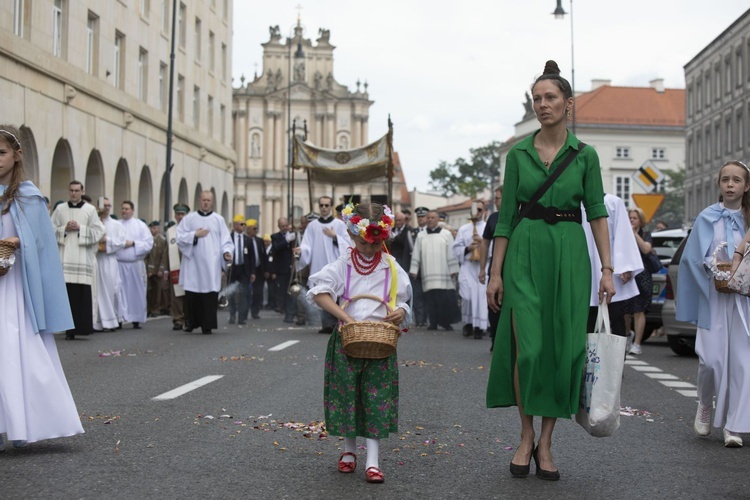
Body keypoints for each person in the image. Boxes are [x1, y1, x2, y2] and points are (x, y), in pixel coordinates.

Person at [485, 60, 614, 481]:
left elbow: (596, 213)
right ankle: (525, 435)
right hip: (524, 251)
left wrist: (607, 269)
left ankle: (546, 441)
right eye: (537, 99)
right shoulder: (518, 153)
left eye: (551, 97)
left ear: (568, 104)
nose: (543, 105)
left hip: (569, 254)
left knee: (564, 351)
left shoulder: (586, 156)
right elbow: (505, 218)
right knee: (531, 351)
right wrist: (495, 272)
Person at [307, 202, 411, 484]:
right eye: (364, 243)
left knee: (376, 397)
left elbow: (403, 299)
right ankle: (349, 450)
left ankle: (373, 460)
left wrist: (401, 311)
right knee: (348, 396)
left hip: (381, 342)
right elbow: (319, 292)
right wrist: (346, 318)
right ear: (353, 237)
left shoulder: (390, 265)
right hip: (347, 340)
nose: (369, 249)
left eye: (375, 244)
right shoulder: (343, 264)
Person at [0, 125, 84, 449]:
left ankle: (24, 421)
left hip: (16, 288)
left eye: (2, 152)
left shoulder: (29, 196)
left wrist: (17, 241)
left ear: (17, 155)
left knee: (15, 349)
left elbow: (41, 241)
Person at [677, 159, 750, 448]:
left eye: (736, 180)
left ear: (747, 186)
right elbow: (693, 257)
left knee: (742, 364)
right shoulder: (708, 216)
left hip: (743, 302)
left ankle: (734, 425)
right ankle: (705, 403)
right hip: (714, 296)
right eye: (725, 180)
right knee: (711, 361)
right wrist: (714, 268)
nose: (730, 185)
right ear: (719, 185)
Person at [51, 180, 106, 340]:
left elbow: (99, 231)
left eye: (77, 190)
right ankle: (67, 329)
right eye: (71, 190)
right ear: (69, 191)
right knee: (67, 295)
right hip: (65, 258)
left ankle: (82, 327)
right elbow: (50, 229)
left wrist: (80, 229)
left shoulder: (90, 210)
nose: (74, 193)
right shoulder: (60, 209)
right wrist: (64, 230)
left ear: (82, 191)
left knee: (81, 295)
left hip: (83, 259)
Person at [583, 194, 643, 338]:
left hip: (611, 270)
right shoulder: (571, 201)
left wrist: (625, 266)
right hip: (583, 268)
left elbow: (623, 233)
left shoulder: (612, 202)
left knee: (614, 320)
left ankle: (614, 360)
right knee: (585, 321)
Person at [177, 191, 233, 334]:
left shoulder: (218, 219)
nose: (206, 202)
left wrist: (227, 252)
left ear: (212, 202)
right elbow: (180, 237)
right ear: (199, 201)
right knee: (192, 295)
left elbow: (226, 240)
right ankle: (191, 323)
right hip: (193, 264)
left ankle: (207, 325)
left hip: (211, 265)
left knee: (209, 295)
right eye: (203, 200)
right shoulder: (189, 219)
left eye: (208, 200)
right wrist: (195, 235)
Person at [295, 196, 352, 333]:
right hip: (319, 265)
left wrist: (335, 237)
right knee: (321, 292)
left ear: (331, 207)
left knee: (336, 294)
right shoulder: (313, 226)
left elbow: (348, 244)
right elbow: (307, 245)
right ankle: (326, 324)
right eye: (321, 205)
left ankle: (337, 323)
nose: (324, 208)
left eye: (327, 205)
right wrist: (300, 250)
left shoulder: (339, 225)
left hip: (336, 265)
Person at [409, 210, 459, 331]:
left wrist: (453, 269)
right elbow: (416, 253)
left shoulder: (446, 234)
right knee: (430, 300)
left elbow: (451, 253)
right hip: (428, 273)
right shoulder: (421, 236)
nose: (430, 220)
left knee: (444, 300)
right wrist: (414, 270)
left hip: (444, 272)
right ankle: (433, 323)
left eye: (433, 218)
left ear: (437, 220)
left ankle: (446, 323)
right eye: (428, 218)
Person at [453, 200, 488, 339]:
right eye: (474, 210)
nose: (477, 213)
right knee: (467, 296)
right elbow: (455, 249)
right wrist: (468, 249)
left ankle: (479, 327)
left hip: (481, 266)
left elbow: (494, 247)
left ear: (484, 211)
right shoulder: (463, 229)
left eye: (480, 210)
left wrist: (482, 242)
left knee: (481, 297)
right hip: (468, 266)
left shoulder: (487, 227)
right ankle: (467, 323)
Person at [116, 201, 154, 329]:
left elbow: (149, 243)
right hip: (119, 264)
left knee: (136, 292)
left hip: (135, 264)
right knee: (119, 292)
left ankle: (136, 318)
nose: (124, 211)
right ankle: (119, 318)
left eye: (127, 209)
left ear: (132, 210)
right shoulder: (117, 225)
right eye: (122, 208)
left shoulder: (140, 225)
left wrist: (133, 243)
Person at [623, 207, 653, 355]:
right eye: (629, 218)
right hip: (627, 275)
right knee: (625, 311)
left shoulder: (646, 234)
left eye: (634, 218)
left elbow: (646, 249)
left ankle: (637, 343)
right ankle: (628, 334)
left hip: (643, 276)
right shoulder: (622, 234)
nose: (631, 221)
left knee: (639, 311)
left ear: (640, 220)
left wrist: (634, 234)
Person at [95, 197, 126, 332]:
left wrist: (106, 239)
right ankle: (97, 322)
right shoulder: (94, 223)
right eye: (103, 206)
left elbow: (121, 242)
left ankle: (111, 320)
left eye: (108, 206)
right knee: (97, 291)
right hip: (96, 259)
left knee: (110, 290)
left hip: (109, 260)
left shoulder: (116, 225)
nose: (106, 208)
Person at [479, 187, 503, 351]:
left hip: (514, 267)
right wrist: (482, 268)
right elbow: (485, 242)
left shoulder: (521, 215)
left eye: (498, 198)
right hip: (495, 268)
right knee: (493, 304)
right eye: (494, 198)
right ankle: (495, 339)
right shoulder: (493, 218)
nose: (495, 201)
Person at [227, 214, 255, 325]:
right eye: (241, 224)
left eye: (244, 224)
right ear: (235, 225)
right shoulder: (228, 238)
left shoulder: (247, 239)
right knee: (231, 293)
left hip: (244, 270)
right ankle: (232, 314)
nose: (244, 226)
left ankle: (242, 317)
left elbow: (252, 257)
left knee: (244, 293)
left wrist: (252, 272)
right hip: (232, 269)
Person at [167, 203, 189, 331]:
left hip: (189, 266)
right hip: (175, 266)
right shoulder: (171, 231)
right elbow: (166, 250)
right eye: (178, 214)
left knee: (189, 294)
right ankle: (178, 319)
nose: (180, 216)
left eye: (182, 214)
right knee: (176, 295)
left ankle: (188, 317)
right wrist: (164, 269)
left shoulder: (191, 229)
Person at [271, 217, 297, 323]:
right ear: (279, 227)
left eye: (286, 225)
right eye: (283, 226)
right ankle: (287, 313)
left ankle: (291, 314)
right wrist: (286, 240)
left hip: (293, 268)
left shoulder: (293, 235)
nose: (285, 228)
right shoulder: (275, 237)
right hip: (282, 269)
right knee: (284, 293)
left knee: (293, 292)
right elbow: (276, 248)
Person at [408, 207, 430, 327]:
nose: (421, 219)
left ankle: (426, 318)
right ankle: (420, 319)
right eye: (419, 217)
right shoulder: (412, 233)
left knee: (427, 295)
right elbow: (407, 252)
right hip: (415, 269)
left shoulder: (431, 232)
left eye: (423, 216)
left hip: (428, 267)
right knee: (417, 295)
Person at [245, 218, 267, 319]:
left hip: (259, 270)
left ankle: (255, 311)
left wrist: (266, 270)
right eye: (254, 229)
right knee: (247, 292)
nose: (256, 230)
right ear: (248, 229)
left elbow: (264, 256)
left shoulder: (260, 241)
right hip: (248, 270)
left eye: (257, 228)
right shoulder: (244, 240)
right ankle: (244, 312)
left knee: (258, 292)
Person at [146, 220, 168, 317]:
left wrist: (161, 269)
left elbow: (164, 256)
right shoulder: (148, 239)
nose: (152, 230)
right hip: (149, 270)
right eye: (151, 228)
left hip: (158, 269)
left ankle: (156, 309)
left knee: (158, 291)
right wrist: (148, 270)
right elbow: (147, 256)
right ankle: (148, 308)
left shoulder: (162, 240)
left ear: (158, 229)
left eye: (154, 228)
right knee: (148, 291)